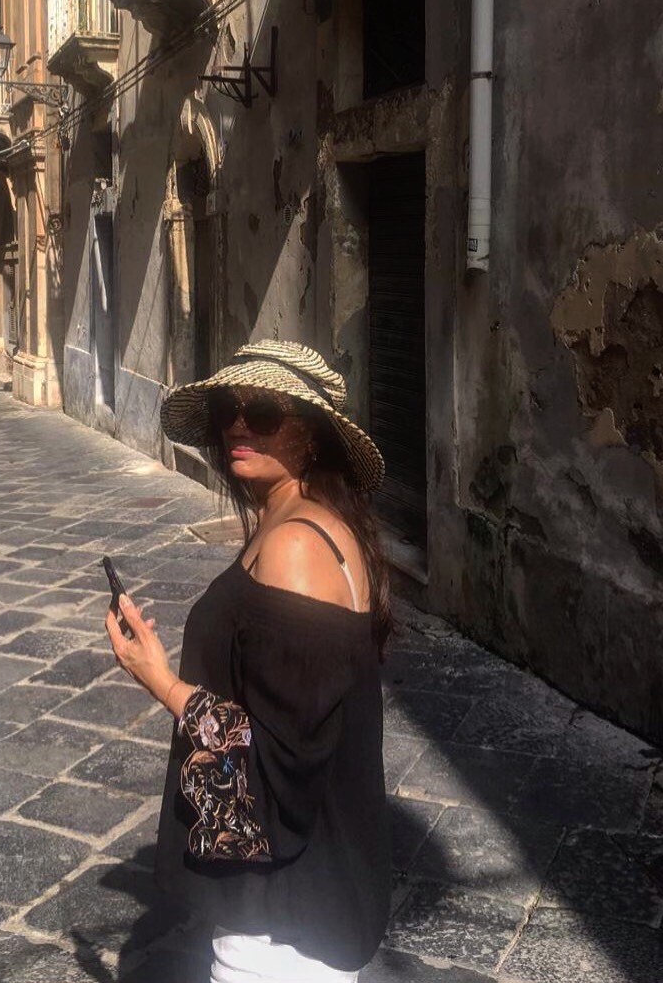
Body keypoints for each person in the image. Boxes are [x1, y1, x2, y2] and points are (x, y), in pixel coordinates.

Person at [106, 340, 392, 982]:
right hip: (296, 905)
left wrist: (160, 681)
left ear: (310, 435)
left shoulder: (295, 545)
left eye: (262, 412)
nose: (238, 426)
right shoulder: (299, 524)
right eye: (226, 411)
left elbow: (276, 762)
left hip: (282, 932)